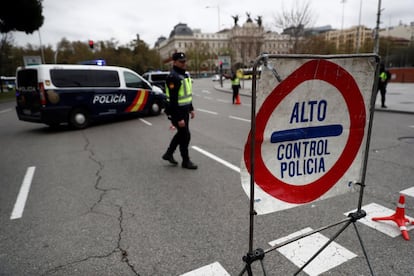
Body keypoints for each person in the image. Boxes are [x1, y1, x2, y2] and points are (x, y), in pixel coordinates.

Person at [162, 52, 198, 169]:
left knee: (182, 134)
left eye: (184, 61)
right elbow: (173, 100)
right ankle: (185, 161)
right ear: (175, 62)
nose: (184, 63)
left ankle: (168, 154)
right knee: (185, 136)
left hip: (184, 110)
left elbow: (187, 95)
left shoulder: (184, 75)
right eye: (181, 62)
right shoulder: (173, 77)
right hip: (177, 112)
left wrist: (191, 109)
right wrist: (178, 118)